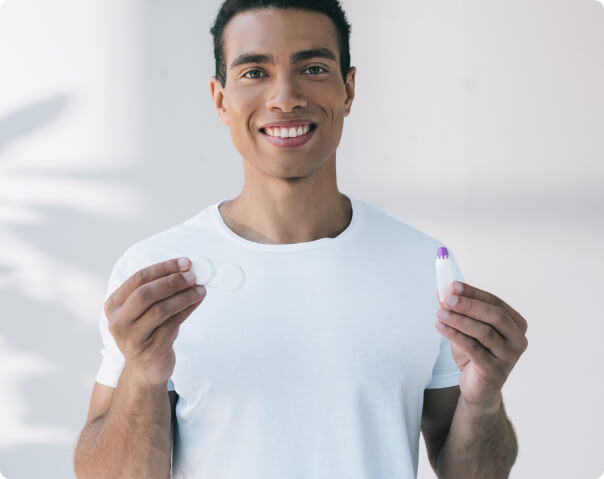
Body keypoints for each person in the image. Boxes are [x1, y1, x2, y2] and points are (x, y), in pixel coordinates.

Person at [74, 1, 528, 478]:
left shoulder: (422, 265)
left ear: (348, 89)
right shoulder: (156, 274)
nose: (286, 96)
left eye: (313, 68)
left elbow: (474, 474)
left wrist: (483, 400)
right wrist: (143, 377)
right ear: (219, 99)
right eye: (254, 72)